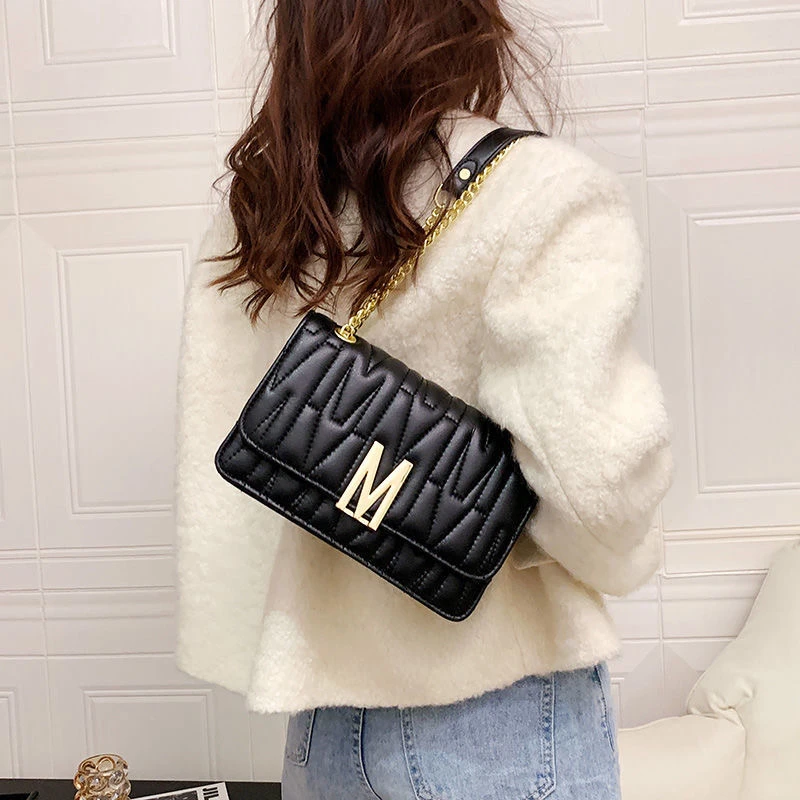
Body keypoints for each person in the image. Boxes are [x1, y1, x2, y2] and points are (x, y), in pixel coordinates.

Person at [172, 1, 675, 798]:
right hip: (494, 712)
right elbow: (600, 487)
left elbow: (229, 467)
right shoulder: (539, 193)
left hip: (323, 725)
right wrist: (613, 546)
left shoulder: (268, 206)